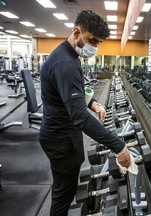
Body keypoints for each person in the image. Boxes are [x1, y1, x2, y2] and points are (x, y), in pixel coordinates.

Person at [39, 10, 131, 216]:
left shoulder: (69, 56)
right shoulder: (65, 63)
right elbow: (79, 117)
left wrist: (94, 104)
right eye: (92, 40)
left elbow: (76, 93)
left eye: (98, 42)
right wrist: (119, 146)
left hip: (64, 135)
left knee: (64, 189)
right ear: (77, 32)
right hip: (60, 138)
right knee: (63, 196)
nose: (95, 47)